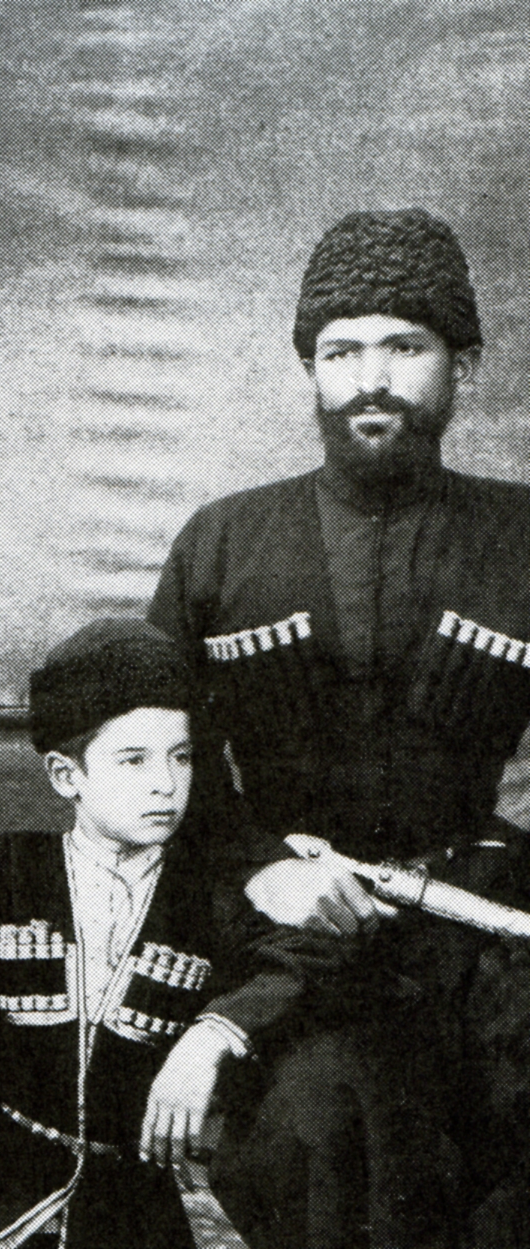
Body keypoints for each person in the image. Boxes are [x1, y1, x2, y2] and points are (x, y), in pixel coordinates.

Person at [149, 208, 530, 1248]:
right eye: (340, 351)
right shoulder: (222, 541)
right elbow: (150, 765)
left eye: (404, 347)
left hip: (482, 927)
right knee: (317, 1127)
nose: (371, 379)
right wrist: (261, 865)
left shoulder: (521, 537)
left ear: (462, 363)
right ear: (308, 371)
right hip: (287, 936)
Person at [0, 620, 302, 1248]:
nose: (165, 783)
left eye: (181, 757)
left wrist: (212, 1036)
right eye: (134, 760)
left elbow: (304, 954)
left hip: (129, 1208)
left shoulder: (211, 889)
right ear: (68, 776)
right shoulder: (10, 871)